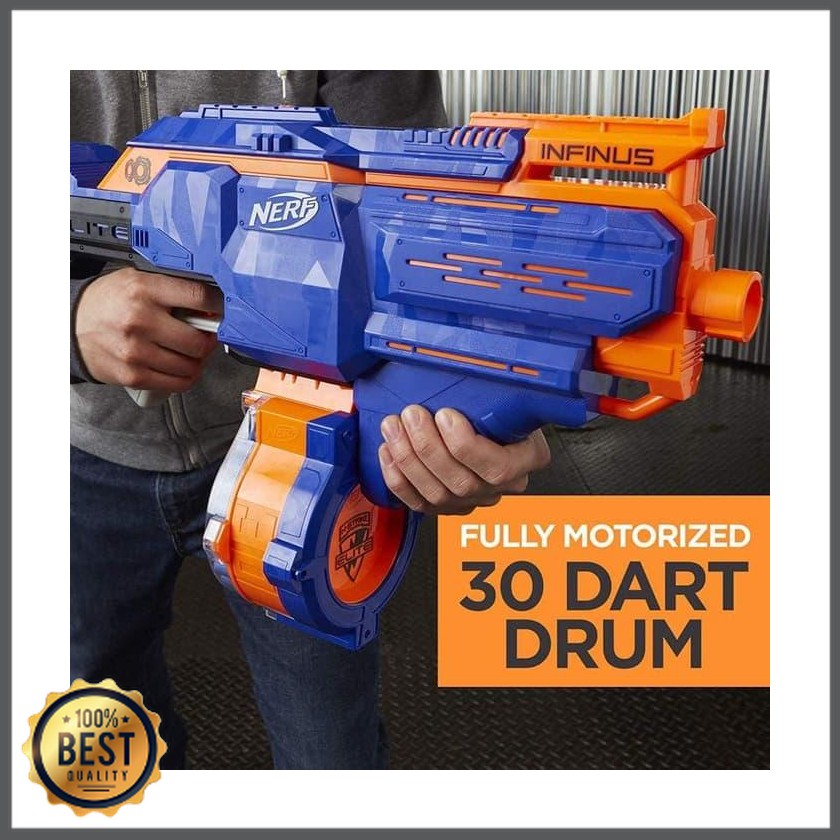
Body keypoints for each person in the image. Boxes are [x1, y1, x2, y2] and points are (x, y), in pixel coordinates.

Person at [70, 71, 551, 770]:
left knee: (330, 751)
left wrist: (490, 394)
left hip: (314, 445)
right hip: (77, 456)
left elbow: (428, 212)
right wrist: (66, 321)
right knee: (97, 734)